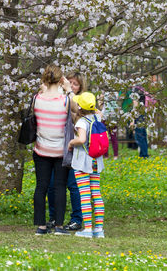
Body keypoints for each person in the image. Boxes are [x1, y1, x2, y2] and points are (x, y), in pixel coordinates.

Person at [32, 64, 70, 235]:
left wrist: (42, 90)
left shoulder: (37, 99)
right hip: (60, 150)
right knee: (60, 187)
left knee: (41, 186)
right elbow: (77, 110)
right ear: (61, 79)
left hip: (41, 149)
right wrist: (69, 90)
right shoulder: (65, 100)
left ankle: (41, 226)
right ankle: (59, 226)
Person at [47, 71, 84, 232]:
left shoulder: (81, 101)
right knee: (52, 184)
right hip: (56, 147)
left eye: (75, 84)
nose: (72, 86)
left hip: (74, 150)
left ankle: (76, 219)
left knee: (73, 185)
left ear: (80, 87)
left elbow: (78, 112)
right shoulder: (58, 98)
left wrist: (69, 92)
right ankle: (54, 217)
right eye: (69, 82)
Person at [67, 92, 106, 238]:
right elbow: (98, 112)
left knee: (84, 195)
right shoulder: (97, 117)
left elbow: (82, 139)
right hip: (96, 161)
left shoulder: (81, 122)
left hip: (83, 163)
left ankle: (88, 229)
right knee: (96, 193)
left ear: (79, 107)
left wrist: (71, 142)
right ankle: (99, 229)